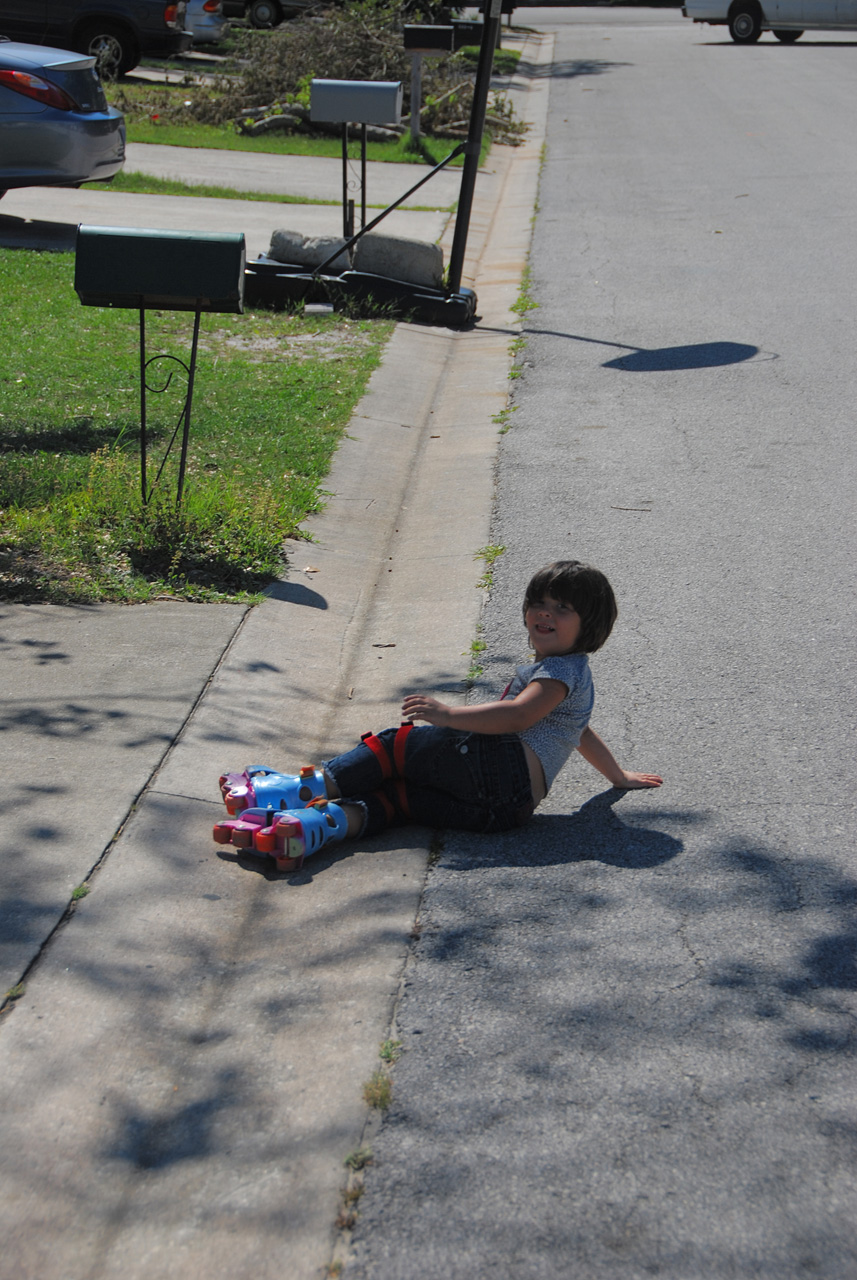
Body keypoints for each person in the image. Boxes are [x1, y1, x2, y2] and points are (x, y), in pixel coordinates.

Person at [213, 560, 663, 871]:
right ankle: (315, 828)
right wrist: (617, 776)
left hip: (499, 772)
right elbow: (578, 732)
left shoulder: (559, 672)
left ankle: (294, 790)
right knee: (401, 800)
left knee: (394, 748)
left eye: (563, 608)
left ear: (591, 624)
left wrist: (447, 714)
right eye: (539, 602)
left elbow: (516, 718)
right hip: (506, 811)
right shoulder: (571, 678)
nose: (546, 612)